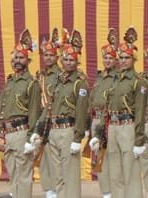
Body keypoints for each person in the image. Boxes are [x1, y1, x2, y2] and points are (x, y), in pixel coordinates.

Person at [0, 29, 42, 198]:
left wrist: (30, 138)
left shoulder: (31, 83)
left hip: (22, 132)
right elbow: (1, 109)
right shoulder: (10, 82)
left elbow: (34, 112)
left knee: (24, 176)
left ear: (28, 60)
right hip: (8, 134)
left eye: (21, 58)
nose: (17, 61)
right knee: (14, 175)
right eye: (15, 57)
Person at [34, 30, 88, 198]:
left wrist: (78, 137)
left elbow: (81, 111)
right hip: (53, 130)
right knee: (58, 174)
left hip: (68, 129)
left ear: (77, 61)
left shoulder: (80, 83)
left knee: (70, 174)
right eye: (66, 59)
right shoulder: (58, 81)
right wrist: (37, 130)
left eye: (72, 60)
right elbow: (49, 106)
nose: (68, 62)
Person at [94, 27, 146, 197]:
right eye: (121, 57)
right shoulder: (114, 80)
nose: (123, 61)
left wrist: (139, 140)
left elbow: (140, 112)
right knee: (115, 171)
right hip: (113, 127)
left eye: (127, 58)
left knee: (130, 170)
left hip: (128, 126)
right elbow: (107, 108)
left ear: (133, 59)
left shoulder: (138, 82)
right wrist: (99, 132)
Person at [89, 28, 118, 198]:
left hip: (110, 122)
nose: (107, 60)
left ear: (116, 60)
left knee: (112, 159)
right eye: (105, 57)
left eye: (110, 58)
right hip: (97, 120)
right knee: (98, 157)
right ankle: (105, 193)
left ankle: (116, 192)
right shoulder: (99, 78)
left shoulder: (117, 77)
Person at [35, 28, 63, 197]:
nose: (48, 58)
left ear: (57, 57)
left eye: (51, 55)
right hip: (41, 121)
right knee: (44, 158)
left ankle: (59, 189)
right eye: (46, 55)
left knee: (56, 159)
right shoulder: (40, 75)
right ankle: (49, 190)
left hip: (54, 121)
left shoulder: (61, 75)